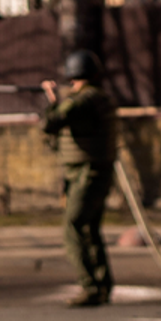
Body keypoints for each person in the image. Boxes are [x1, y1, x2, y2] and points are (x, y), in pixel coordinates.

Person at [42, 49, 118, 307]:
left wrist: (52, 99)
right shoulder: (98, 98)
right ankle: (101, 285)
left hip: (87, 173)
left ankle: (90, 285)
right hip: (91, 172)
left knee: (73, 227)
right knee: (89, 229)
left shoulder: (84, 100)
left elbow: (51, 122)